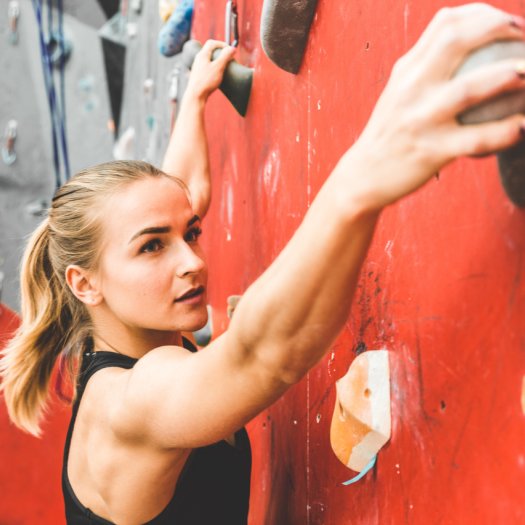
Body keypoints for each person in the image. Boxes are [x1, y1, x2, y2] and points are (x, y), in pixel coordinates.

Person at [1, 4, 525, 524]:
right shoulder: (127, 403)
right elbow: (261, 356)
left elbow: (185, 190)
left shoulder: (118, 327)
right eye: (152, 247)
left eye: (192, 234)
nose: (192, 263)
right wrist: (370, 166)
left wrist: (195, 98)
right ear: (84, 283)